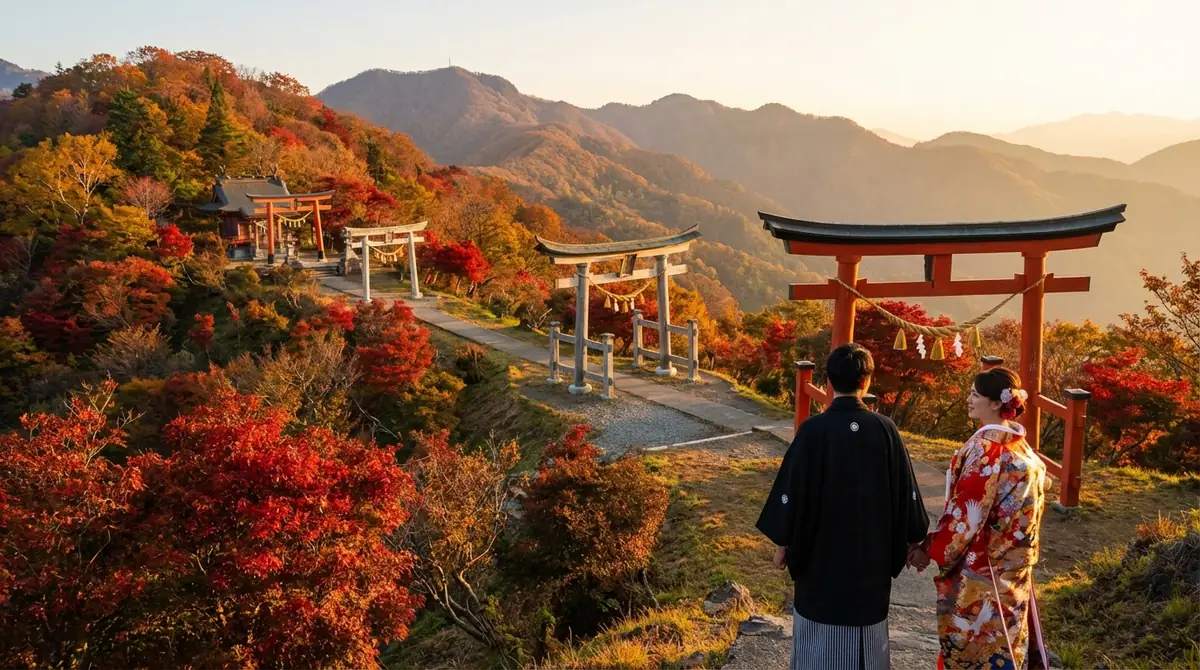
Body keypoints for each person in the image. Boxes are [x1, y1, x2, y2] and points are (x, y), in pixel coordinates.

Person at [756, 343, 930, 669]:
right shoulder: (885, 429)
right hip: (871, 563)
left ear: (828, 381)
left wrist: (783, 543)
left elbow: (792, 492)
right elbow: (904, 491)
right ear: (866, 381)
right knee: (867, 643)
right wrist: (913, 540)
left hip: (820, 563)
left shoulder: (813, 430)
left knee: (818, 645)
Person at [907, 367, 1048, 669]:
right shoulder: (1021, 447)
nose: (969, 400)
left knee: (977, 644)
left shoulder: (986, 450)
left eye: (975, 394)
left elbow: (965, 517)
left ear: (996, 403)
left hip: (985, 566)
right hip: (1014, 563)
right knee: (1007, 638)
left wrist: (929, 549)